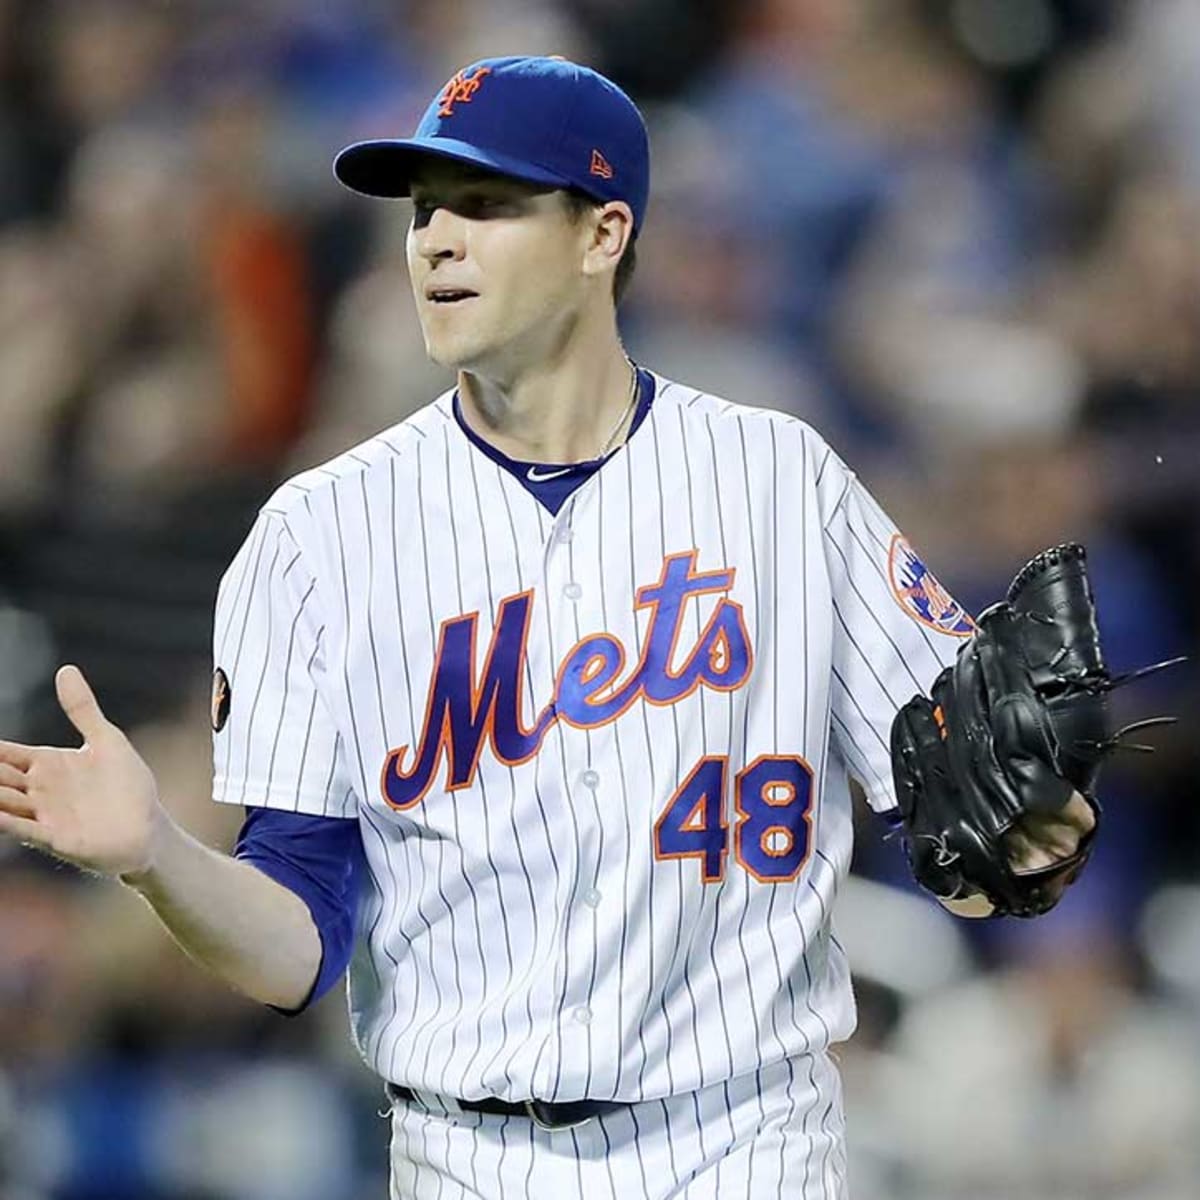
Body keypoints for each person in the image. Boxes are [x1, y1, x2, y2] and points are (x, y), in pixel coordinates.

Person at [0, 56, 1093, 1199]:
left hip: (744, 1140)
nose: (435, 242)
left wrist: (1026, 849)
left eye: (487, 205)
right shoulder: (315, 535)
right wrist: (157, 859)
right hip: (464, 1156)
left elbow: (971, 832)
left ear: (602, 233)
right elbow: (297, 947)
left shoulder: (780, 480)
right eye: (425, 212)